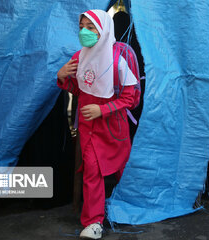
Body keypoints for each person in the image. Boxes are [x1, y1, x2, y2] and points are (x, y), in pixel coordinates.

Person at [57, 9, 137, 239]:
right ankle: (93, 222)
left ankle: (128, 208)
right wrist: (62, 75)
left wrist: (102, 109)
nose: (85, 32)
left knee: (123, 169)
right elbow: (77, 87)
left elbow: (129, 98)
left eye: (91, 27)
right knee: (92, 171)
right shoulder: (78, 57)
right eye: (82, 26)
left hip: (114, 127)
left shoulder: (117, 59)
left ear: (104, 29)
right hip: (89, 128)